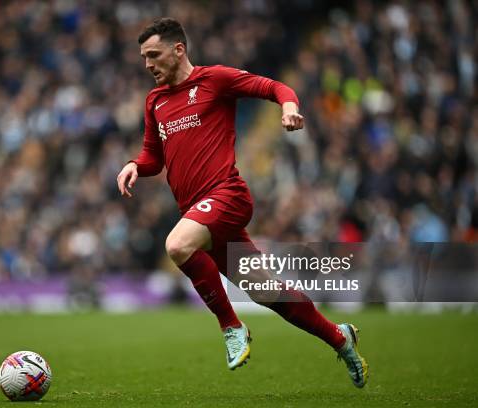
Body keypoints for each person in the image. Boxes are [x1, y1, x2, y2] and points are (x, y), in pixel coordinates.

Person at [116, 18, 368, 388]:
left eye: (154, 54)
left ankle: (232, 327)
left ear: (178, 49)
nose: (148, 64)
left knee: (176, 244)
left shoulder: (214, 80)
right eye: (143, 57)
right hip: (202, 215)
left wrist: (288, 108)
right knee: (269, 292)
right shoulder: (154, 101)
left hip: (227, 196)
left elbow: (275, 86)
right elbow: (154, 157)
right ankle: (340, 338)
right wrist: (134, 165)